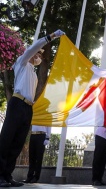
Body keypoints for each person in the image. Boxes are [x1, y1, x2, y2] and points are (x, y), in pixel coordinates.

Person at [0, 29, 65, 187]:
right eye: (36, 53)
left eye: (40, 55)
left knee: (18, 142)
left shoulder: (34, 74)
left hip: (27, 108)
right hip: (17, 103)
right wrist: (52, 36)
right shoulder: (22, 62)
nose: (38, 56)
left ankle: (7, 175)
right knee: (6, 139)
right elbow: (32, 49)